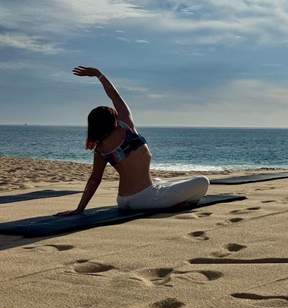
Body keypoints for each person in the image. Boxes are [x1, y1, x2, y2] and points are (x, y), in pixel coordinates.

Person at [59, 66, 209, 215]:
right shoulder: (126, 127)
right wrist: (99, 75)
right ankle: (176, 204)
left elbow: (94, 180)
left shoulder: (100, 149)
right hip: (146, 199)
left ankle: (168, 197)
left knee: (157, 180)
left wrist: (80, 209)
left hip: (123, 201)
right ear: (114, 119)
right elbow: (115, 96)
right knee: (203, 181)